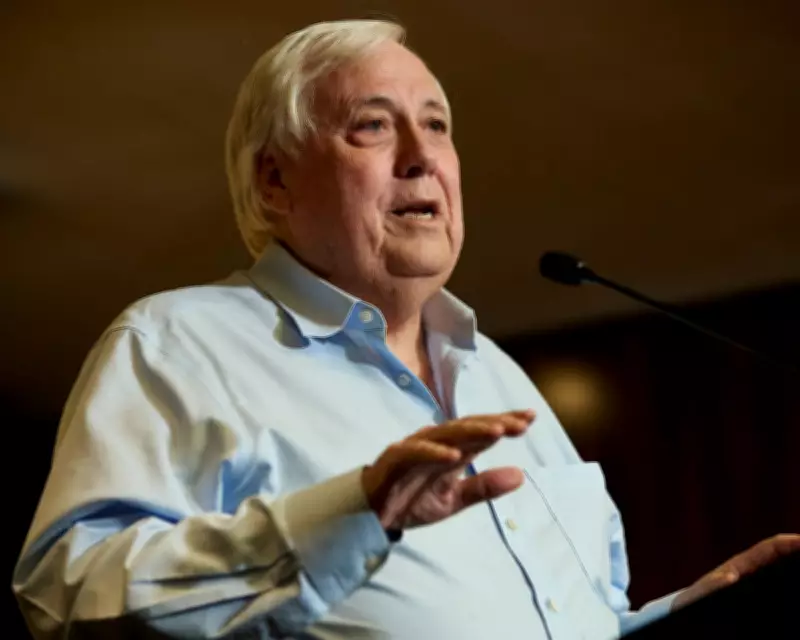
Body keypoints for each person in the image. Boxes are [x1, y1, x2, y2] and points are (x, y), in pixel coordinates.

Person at [13, 19, 800, 640]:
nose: (423, 157)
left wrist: (683, 615)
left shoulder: (500, 376)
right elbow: (67, 596)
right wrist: (353, 516)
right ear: (276, 180)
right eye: (373, 126)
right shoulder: (178, 343)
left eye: (438, 125)